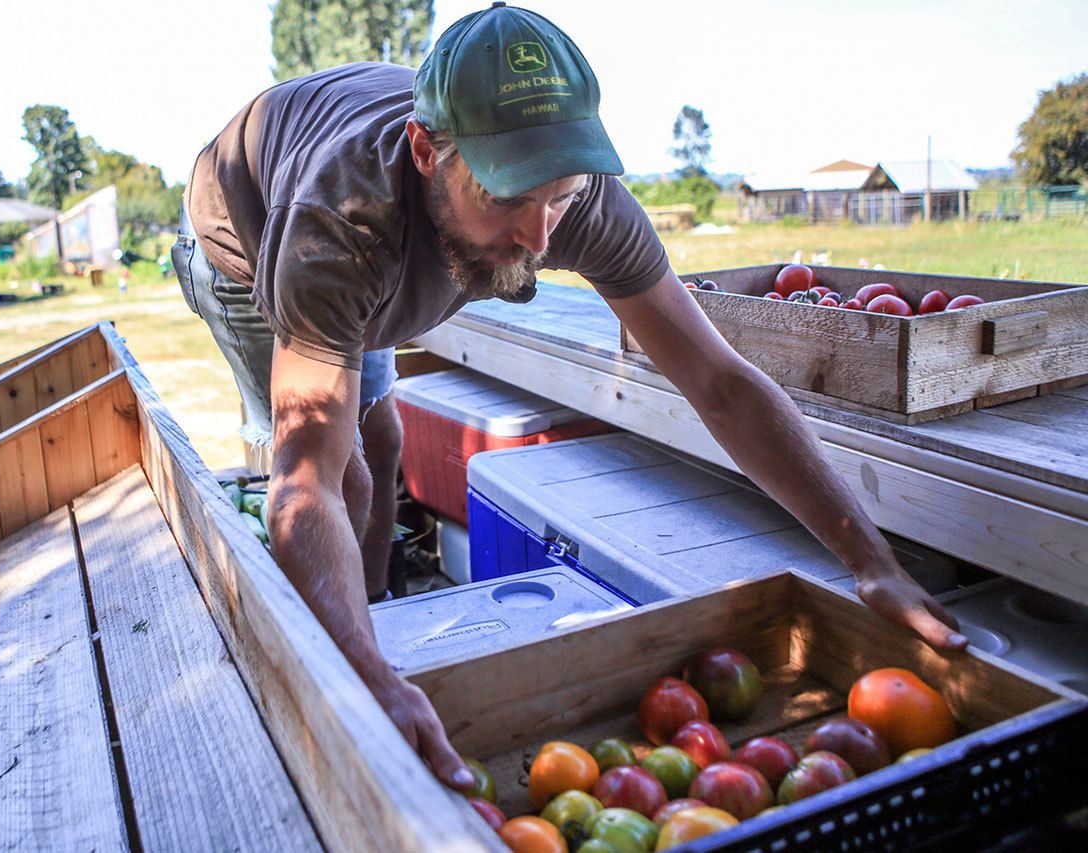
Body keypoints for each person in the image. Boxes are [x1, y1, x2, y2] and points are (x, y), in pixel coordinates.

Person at [173, 2, 966, 792]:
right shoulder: (333, 231)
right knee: (342, 475)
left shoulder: (574, 200)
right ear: (425, 149)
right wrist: (360, 676)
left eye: (558, 196)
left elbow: (719, 384)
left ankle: (378, 611)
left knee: (381, 445)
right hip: (243, 241)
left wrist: (871, 561)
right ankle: (357, 662)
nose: (541, 238)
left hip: (375, 249)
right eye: (507, 197)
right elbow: (302, 476)